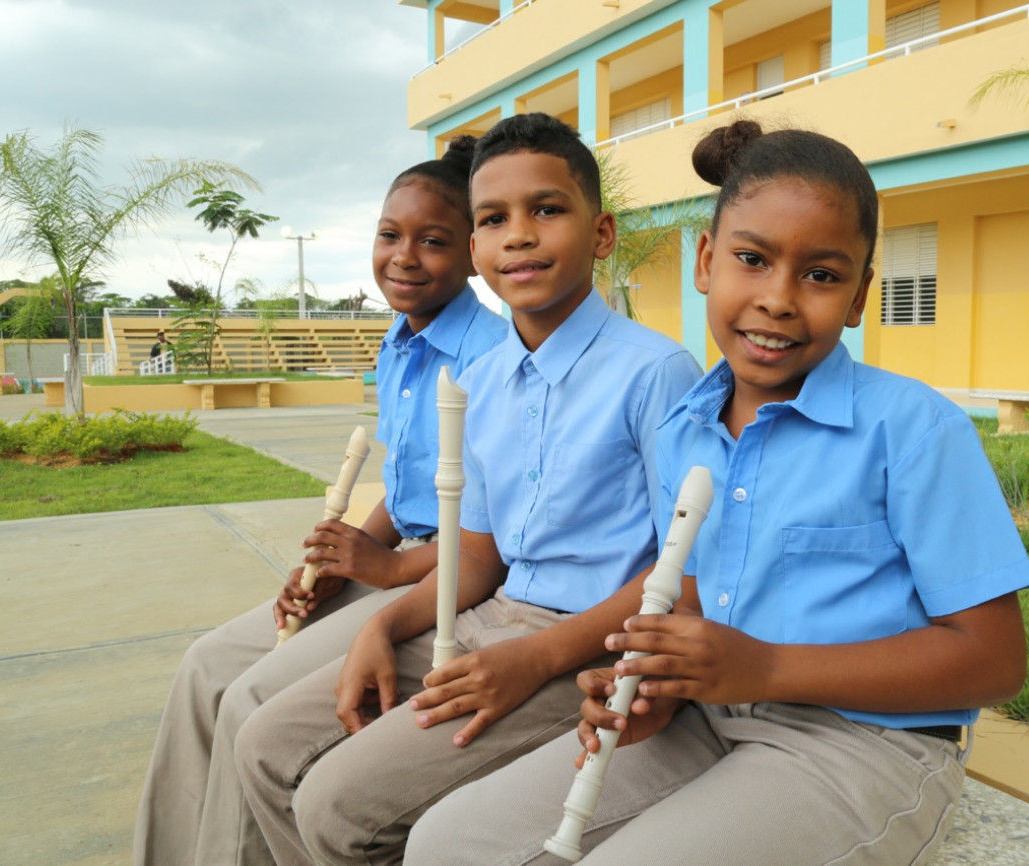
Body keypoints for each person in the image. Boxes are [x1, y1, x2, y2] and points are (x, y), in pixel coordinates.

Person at [402, 121, 1029, 865]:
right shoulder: (684, 430)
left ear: (860, 296)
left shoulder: (914, 428)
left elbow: (996, 661)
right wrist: (656, 682)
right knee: (446, 843)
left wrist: (764, 669)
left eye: (821, 275)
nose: (778, 299)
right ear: (706, 261)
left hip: (864, 742)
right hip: (709, 716)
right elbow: (696, 594)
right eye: (752, 259)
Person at [233, 113, 701, 866]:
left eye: (546, 209)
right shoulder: (479, 381)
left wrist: (538, 657)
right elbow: (480, 556)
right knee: (263, 744)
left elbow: (679, 575)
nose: (518, 236)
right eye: (493, 219)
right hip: (489, 616)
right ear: (477, 248)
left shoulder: (655, 373)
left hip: (588, 645)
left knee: (336, 807)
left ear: (601, 233)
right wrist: (382, 627)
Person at [133, 135, 508, 866]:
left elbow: (488, 536)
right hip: (397, 561)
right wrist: (340, 560)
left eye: (432, 241)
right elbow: (406, 488)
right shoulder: (399, 342)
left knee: (249, 701)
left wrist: (384, 568)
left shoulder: (491, 356)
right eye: (389, 235)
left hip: (450, 577)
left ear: (472, 253)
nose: (403, 257)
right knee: (205, 666)